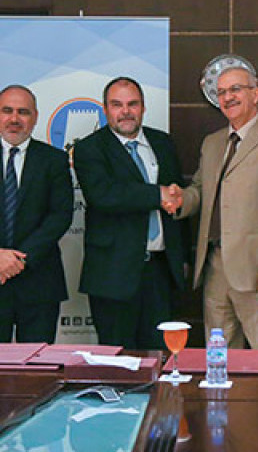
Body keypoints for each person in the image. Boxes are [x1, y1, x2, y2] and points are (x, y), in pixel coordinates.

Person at [176, 62, 258, 349]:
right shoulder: (212, 143)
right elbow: (200, 190)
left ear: (255, 94)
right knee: (219, 357)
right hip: (215, 267)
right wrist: (180, 200)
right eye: (221, 92)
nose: (228, 97)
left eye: (235, 89)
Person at [0, 85, 72, 343]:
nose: (14, 119)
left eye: (23, 112)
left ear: (35, 117)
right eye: (7, 111)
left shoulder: (54, 160)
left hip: (38, 280)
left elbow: (60, 215)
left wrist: (19, 260)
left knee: (38, 364)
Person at [73, 77, 186, 349]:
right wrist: (157, 194)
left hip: (160, 271)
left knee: (161, 355)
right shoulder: (89, 148)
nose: (126, 111)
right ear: (105, 109)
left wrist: (183, 257)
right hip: (113, 274)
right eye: (117, 105)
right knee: (118, 358)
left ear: (143, 108)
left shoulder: (163, 142)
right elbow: (104, 195)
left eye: (132, 104)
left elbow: (177, 199)